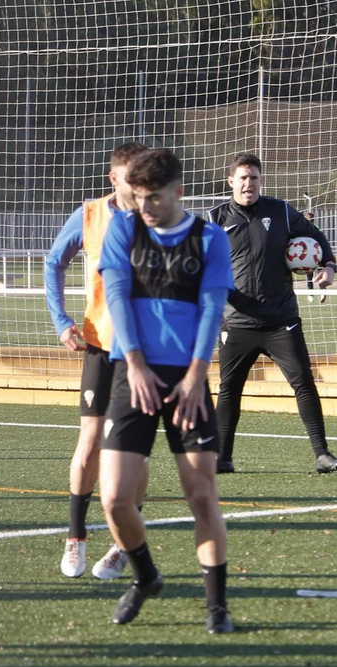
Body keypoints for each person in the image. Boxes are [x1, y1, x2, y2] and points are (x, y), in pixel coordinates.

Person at [95, 147, 235, 634]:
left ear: (178, 191)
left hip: (188, 378)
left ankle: (216, 606)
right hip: (131, 373)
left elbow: (212, 308)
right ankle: (145, 576)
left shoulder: (210, 238)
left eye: (153, 198)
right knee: (113, 499)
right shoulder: (123, 228)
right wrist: (133, 363)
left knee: (201, 496)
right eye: (137, 198)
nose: (145, 207)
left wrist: (196, 375)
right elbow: (117, 297)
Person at [207, 153, 337, 476]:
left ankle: (322, 454)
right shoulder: (215, 219)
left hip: (280, 320)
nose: (248, 184)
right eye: (242, 178)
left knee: (304, 383)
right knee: (229, 389)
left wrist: (328, 266)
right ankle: (222, 459)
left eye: (254, 178)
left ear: (260, 181)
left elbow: (317, 237)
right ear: (231, 182)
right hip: (236, 321)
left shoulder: (281, 211)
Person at [44, 141, 146, 581]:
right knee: (89, 444)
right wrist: (61, 321)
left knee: (134, 453)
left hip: (147, 351)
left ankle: (123, 545)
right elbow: (54, 262)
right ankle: (76, 536)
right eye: (131, 178)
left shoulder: (157, 216)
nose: (139, 187)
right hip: (101, 345)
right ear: (114, 179)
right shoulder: (90, 215)